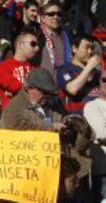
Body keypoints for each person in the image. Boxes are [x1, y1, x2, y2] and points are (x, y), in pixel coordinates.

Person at [57, 33, 102, 115]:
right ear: (74, 49)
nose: (90, 51)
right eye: (86, 47)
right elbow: (72, 89)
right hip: (77, 120)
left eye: (92, 48)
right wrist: (89, 67)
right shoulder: (65, 69)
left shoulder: (98, 73)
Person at [0, 30, 39, 109]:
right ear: (20, 45)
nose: (37, 48)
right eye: (33, 44)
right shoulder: (2, 68)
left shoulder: (35, 69)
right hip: (13, 116)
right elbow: (12, 85)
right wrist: (31, 91)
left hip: (32, 114)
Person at [84, 70, 106, 202]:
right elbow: (101, 134)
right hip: (104, 168)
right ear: (99, 83)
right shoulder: (92, 106)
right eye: (104, 80)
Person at [37, 0, 72, 80]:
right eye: (51, 14)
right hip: (42, 82)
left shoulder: (66, 36)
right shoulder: (37, 35)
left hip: (63, 82)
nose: (56, 17)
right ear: (42, 18)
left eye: (58, 14)